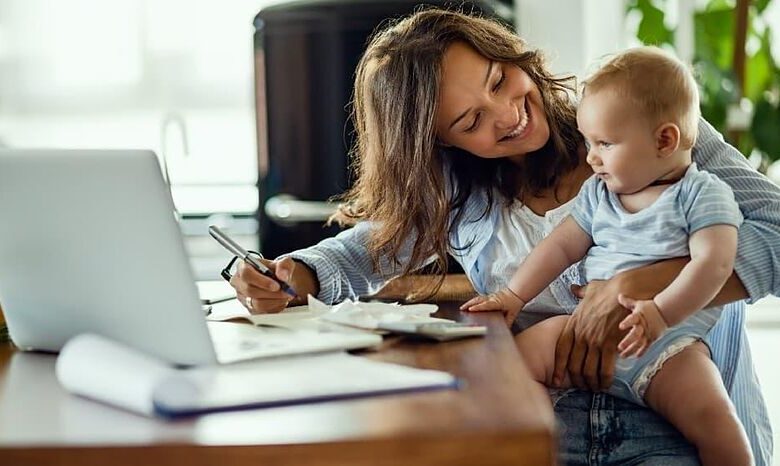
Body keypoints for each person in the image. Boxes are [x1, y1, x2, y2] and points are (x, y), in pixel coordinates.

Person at [229, 8, 778, 465]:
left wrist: (643, 285)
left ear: (509, 53)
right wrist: (291, 274)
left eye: (498, 80)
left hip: (680, 423)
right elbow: (364, 248)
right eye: (470, 122)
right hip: (546, 429)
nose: (508, 115)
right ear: (440, 144)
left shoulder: (646, 123)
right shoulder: (458, 189)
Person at [462, 46, 751, 465]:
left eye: (604, 143)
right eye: (587, 141)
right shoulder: (600, 194)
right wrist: (513, 296)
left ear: (664, 140)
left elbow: (715, 265)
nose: (591, 156)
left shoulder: (701, 195)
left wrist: (661, 314)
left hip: (669, 347)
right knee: (506, 369)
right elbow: (560, 246)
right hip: (580, 331)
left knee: (717, 422)